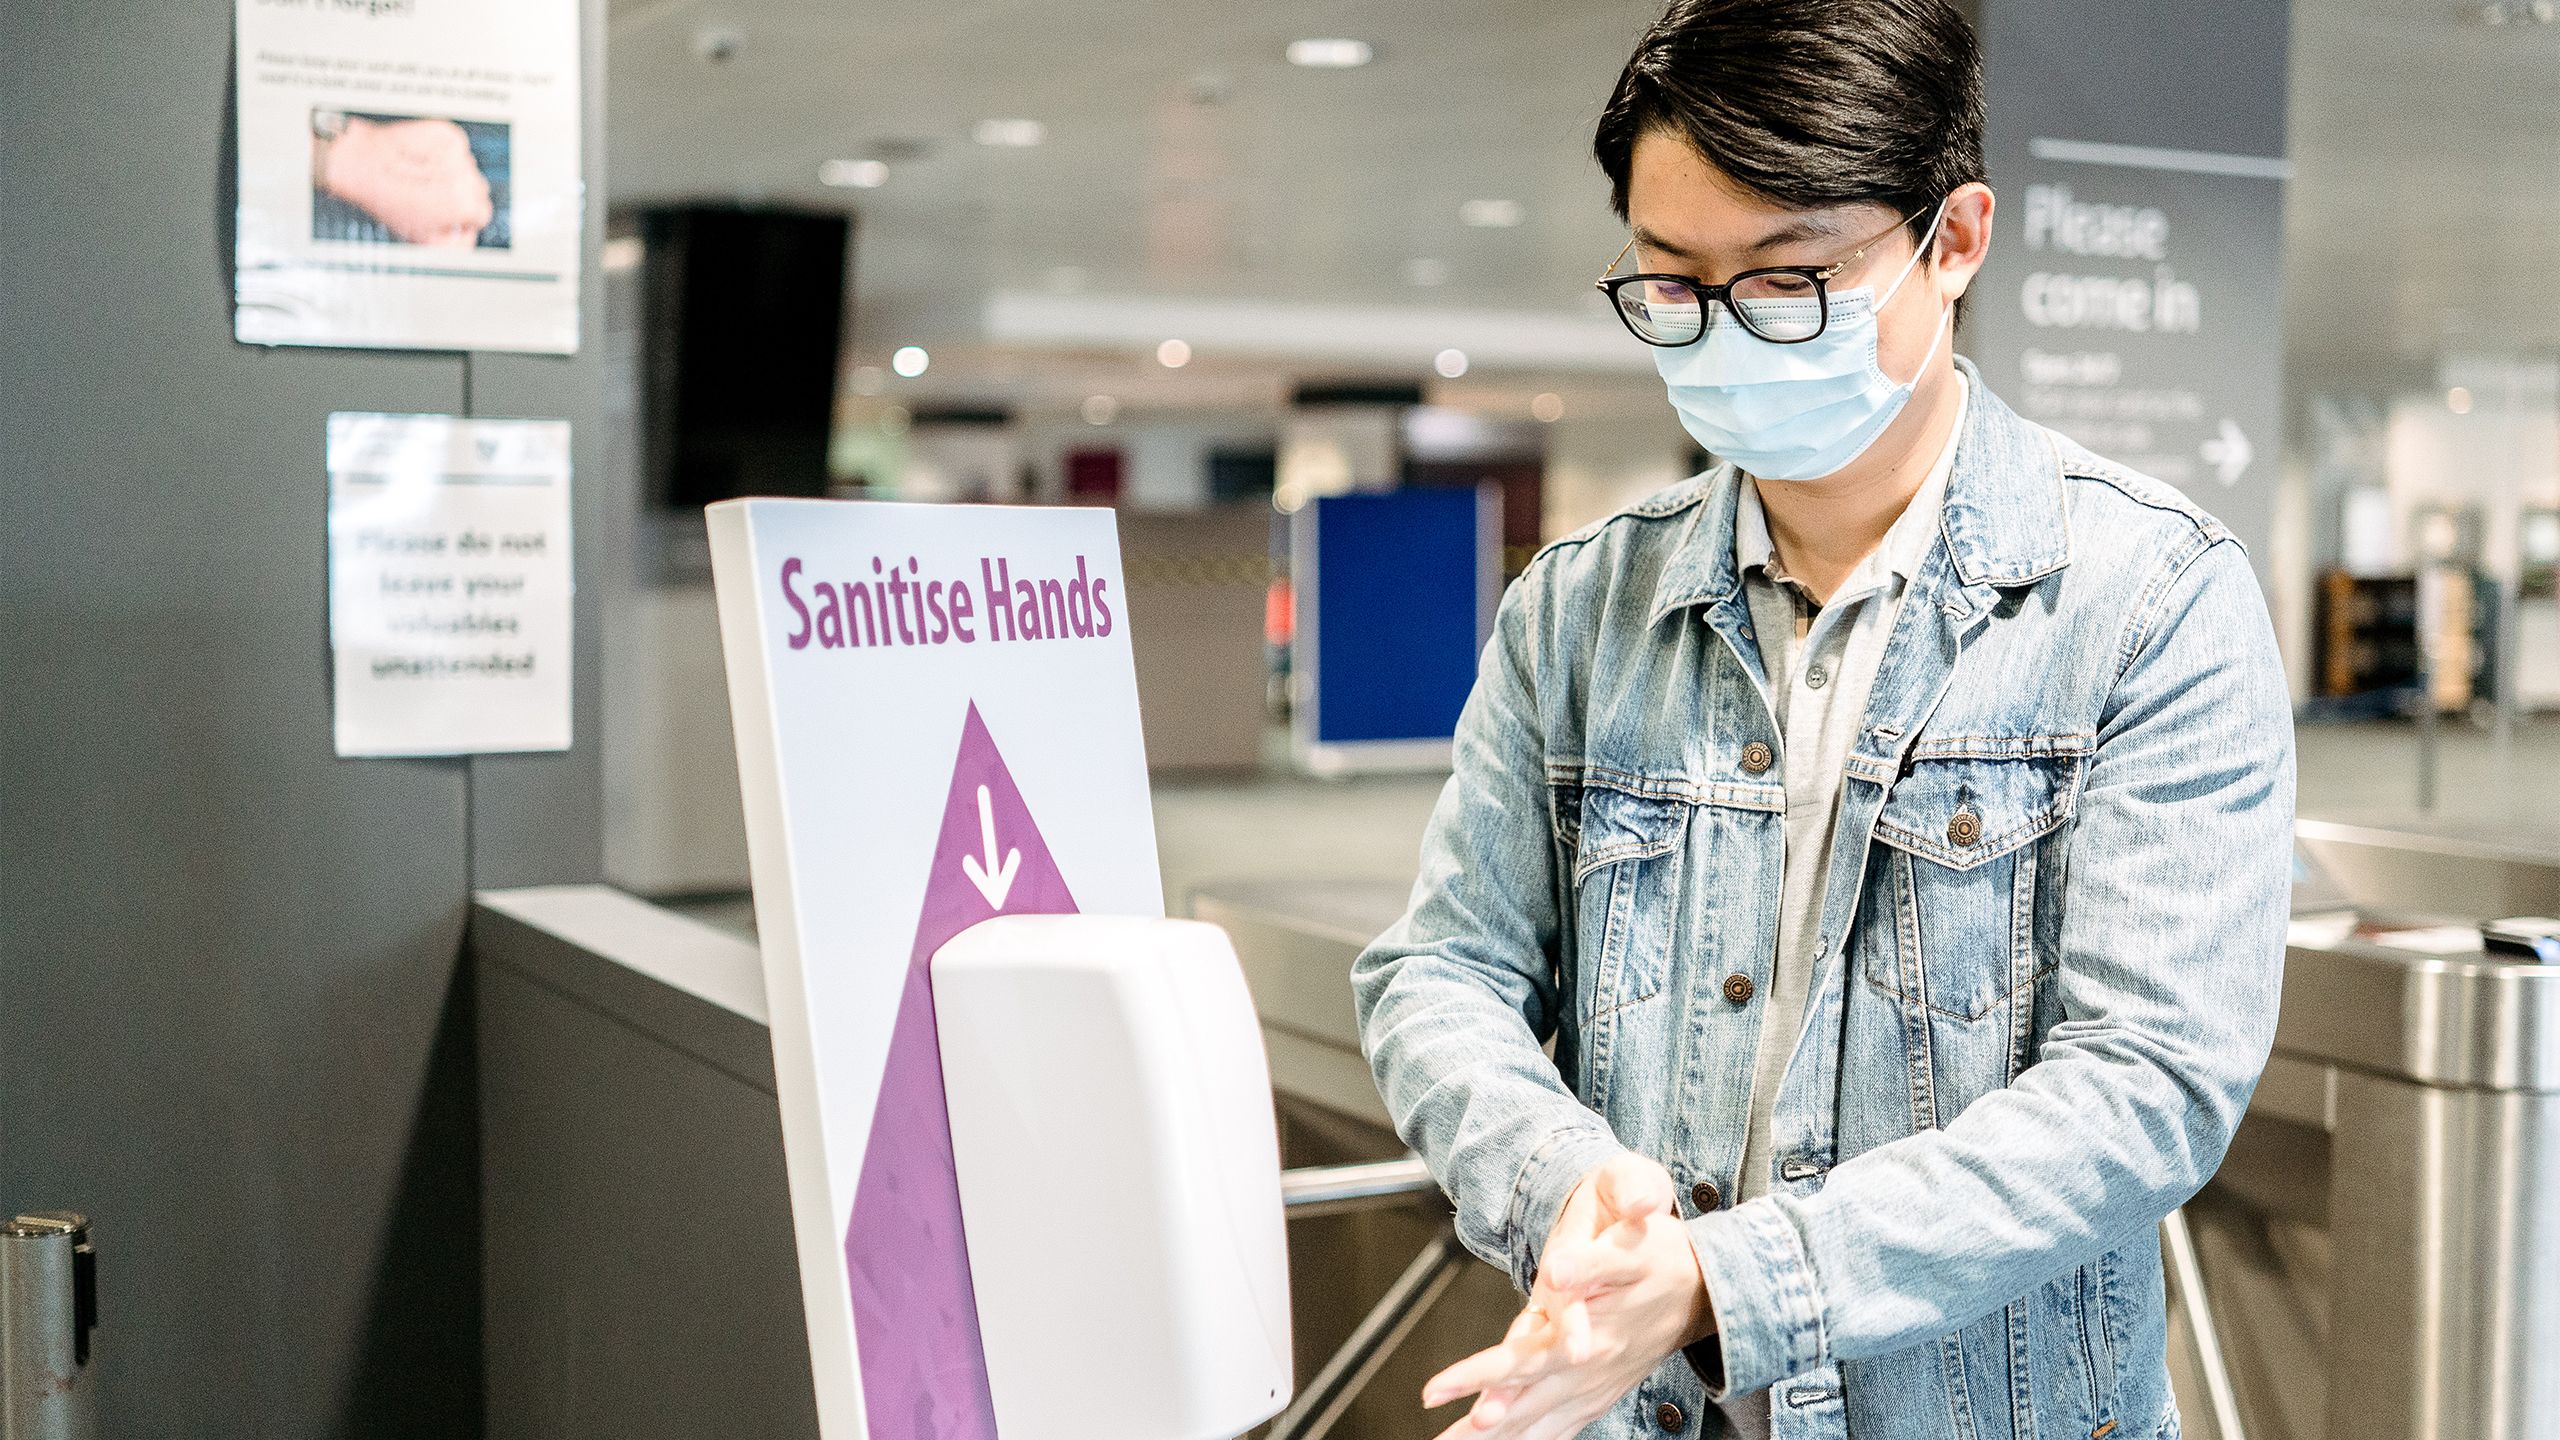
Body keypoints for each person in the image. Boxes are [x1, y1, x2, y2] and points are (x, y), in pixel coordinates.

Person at [1346, 2, 2296, 1437]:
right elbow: (1441, 969)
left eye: (1790, 282)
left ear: (1954, 241)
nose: (1729, 332)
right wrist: (1570, 1192)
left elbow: (2150, 1082)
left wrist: (1732, 1285)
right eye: (1673, 284)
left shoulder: (2149, 602)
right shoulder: (1579, 609)